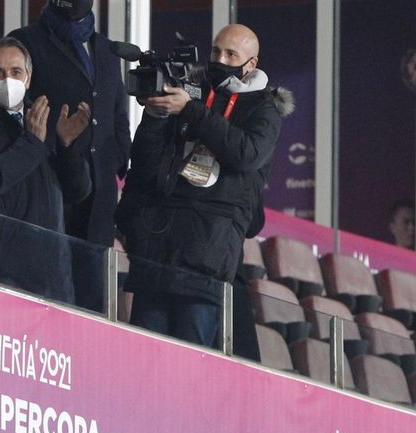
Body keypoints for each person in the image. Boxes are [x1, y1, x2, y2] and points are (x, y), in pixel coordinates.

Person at [117, 23, 292, 347]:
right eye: (215, 51)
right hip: (158, 247)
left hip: (208, 252)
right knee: (143, 354)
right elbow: (145, 161)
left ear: (251, 64)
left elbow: (245, 154)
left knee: (192, 355)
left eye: (230, 54)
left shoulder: (264, 108)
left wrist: (192, 111)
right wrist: (156, 118)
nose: (219, 59)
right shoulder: (188, 93)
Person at [9, 0, 132, 310]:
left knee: (93, 298)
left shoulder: (108, 50)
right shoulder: (25, 42)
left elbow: (117, 113)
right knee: (49, 293)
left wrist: (115, 159)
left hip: (99, 200)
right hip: (49, 187)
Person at [0, 39, 93, 303]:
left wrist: (68, 148)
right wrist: (32, 143)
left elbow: (78, 192)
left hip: (54, 278)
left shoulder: (43, 118)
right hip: (1, 274)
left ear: (28, 78)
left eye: (15, 72)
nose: (7, 79)